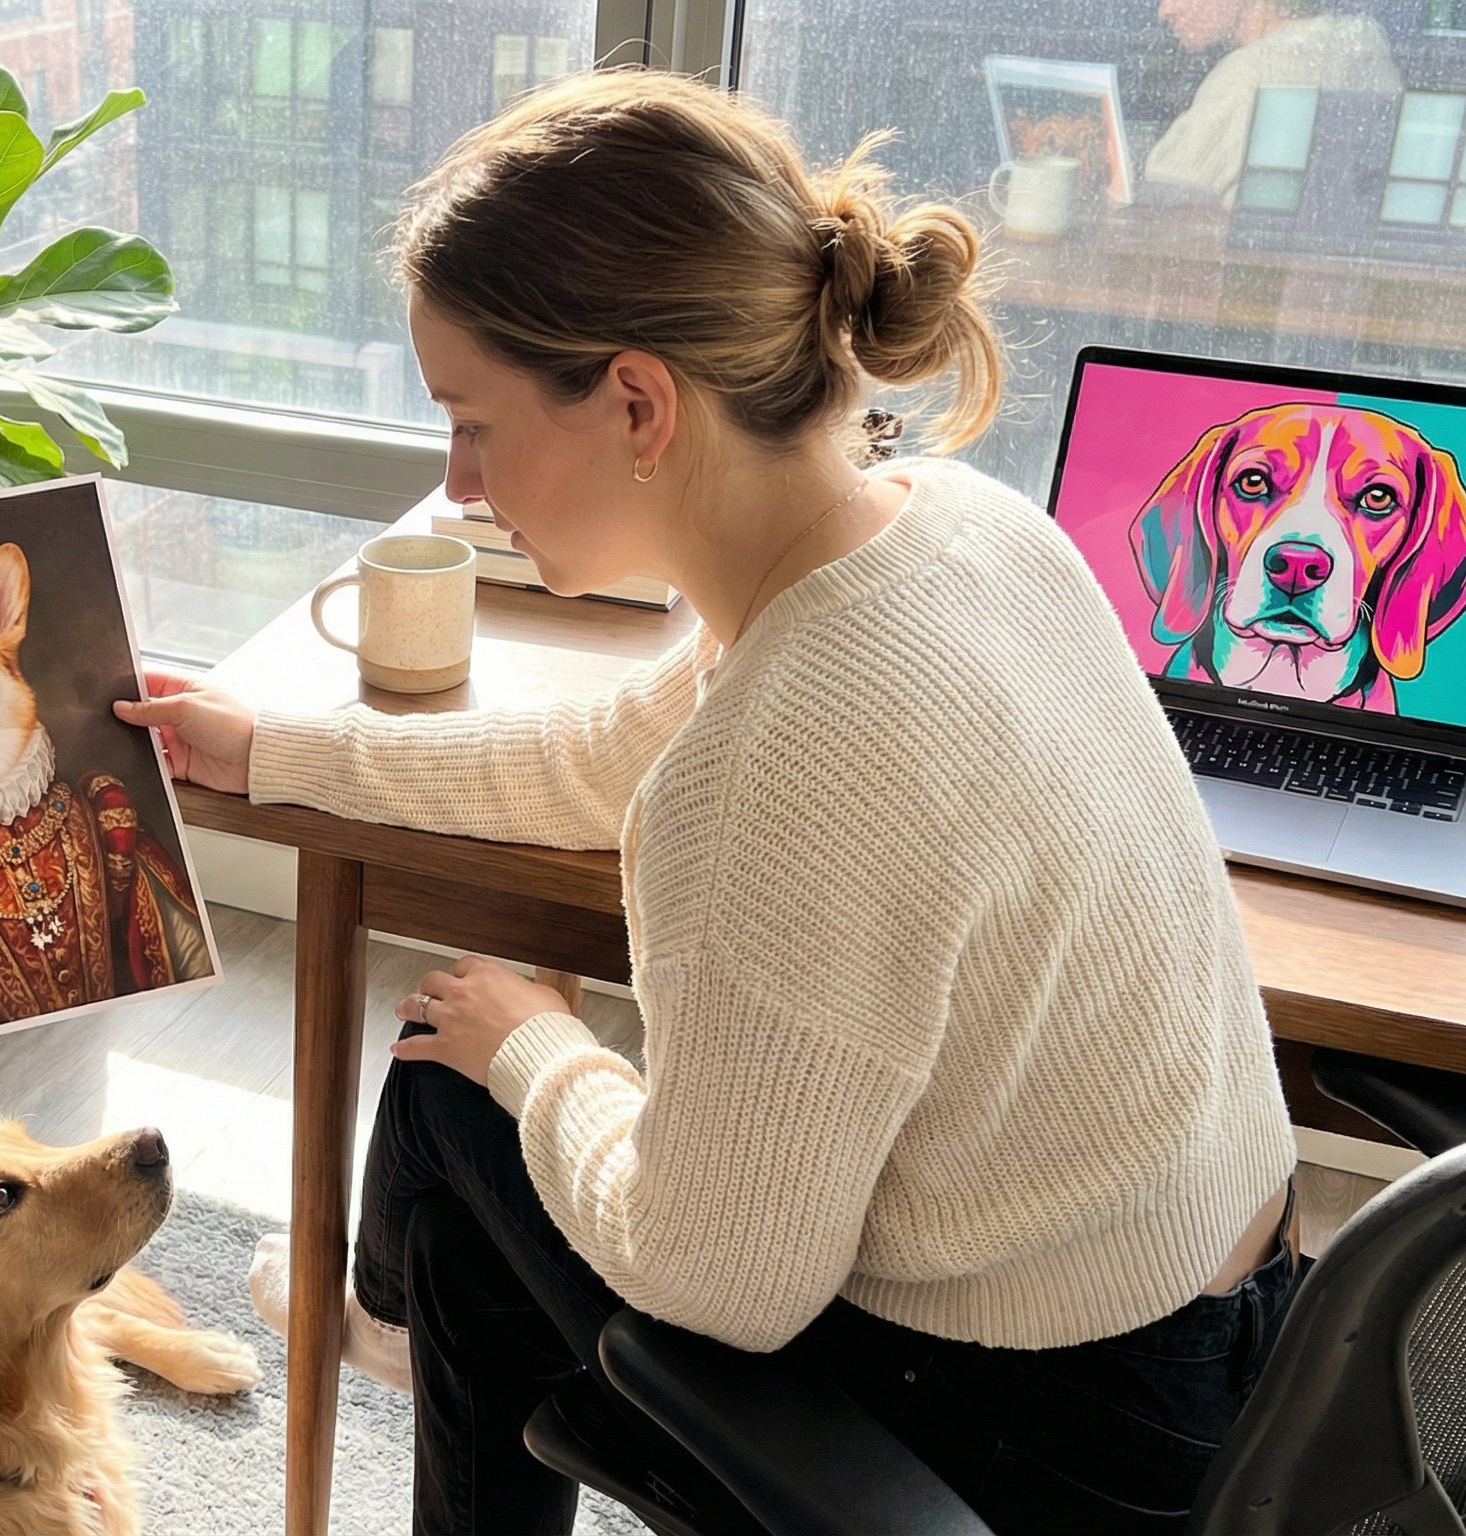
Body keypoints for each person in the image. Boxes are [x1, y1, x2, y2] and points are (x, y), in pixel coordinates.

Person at [114, 69, 1302, 1536]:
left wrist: (540, 1049)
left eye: (473, 421)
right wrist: (273, 750)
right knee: (484, 1159)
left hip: (1045, 1446)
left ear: (635, 402)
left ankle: (393, 1320)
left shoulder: (783, 756)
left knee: (451, 1073)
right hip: (1257, 1357)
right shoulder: (966, 528)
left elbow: (718, 1285)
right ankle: (416, 1311)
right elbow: (600, 753)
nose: (459, 482)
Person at [1142, 0, 1399, 200]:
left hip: (1253, 263)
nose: (1164, 11)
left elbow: (1165, 191)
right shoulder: (1364, 52)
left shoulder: (1249, 74)